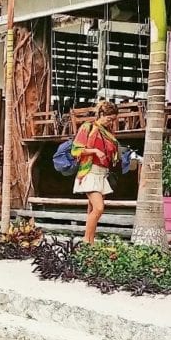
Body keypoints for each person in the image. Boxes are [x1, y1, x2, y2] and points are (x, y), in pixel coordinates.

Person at [71, 101, 119, 244]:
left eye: (113, 120)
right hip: (90, 171)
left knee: (93, 210)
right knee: (99, 208)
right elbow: (76, 150)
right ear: (101, 114)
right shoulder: (88, 127)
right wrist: (95, 151)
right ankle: (86, 240)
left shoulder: (108, 132)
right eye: (109, 119)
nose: (110, 123)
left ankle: (91, 241)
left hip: (102, 173)